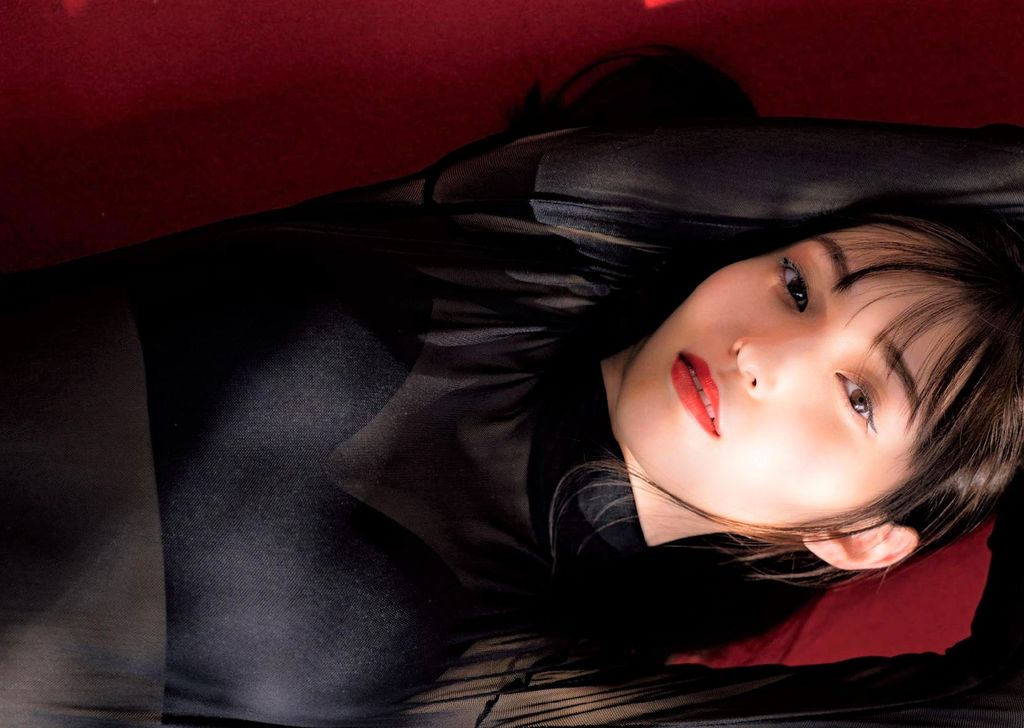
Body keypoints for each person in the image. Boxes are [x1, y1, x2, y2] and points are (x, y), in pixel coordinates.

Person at [3, 46, 1023, 728]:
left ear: (860, 538)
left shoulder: (521, 685)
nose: (768, 353)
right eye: (796, 285)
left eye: (858, 398)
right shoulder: (513, 242)